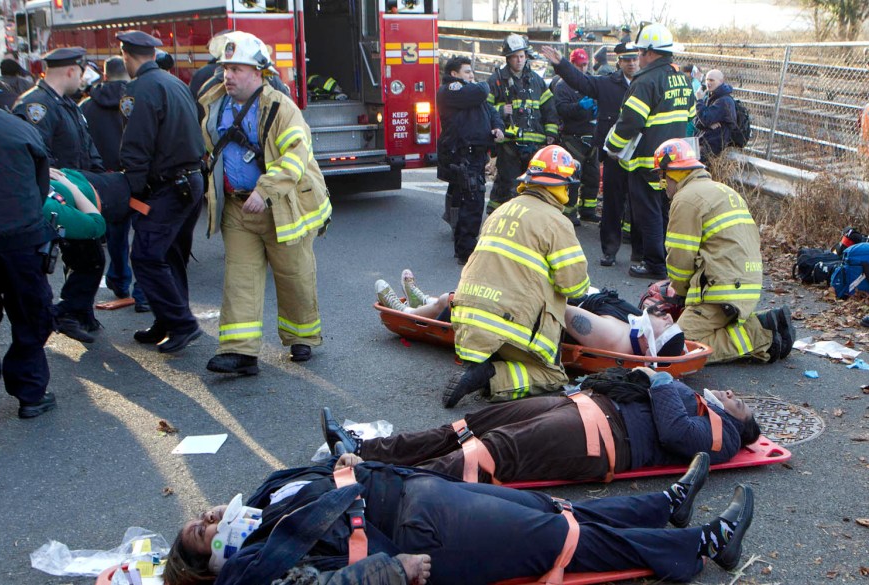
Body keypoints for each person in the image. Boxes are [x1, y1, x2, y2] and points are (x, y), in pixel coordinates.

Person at [163, 453, 755, 585]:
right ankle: (704, 544)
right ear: (208, 563)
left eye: (201, 516)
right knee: (559, 537)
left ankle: (665, 507)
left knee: (555, 510)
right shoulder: (252, 571)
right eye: (201, 531)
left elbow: (321, 487)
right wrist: (391, 571)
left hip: (414, 492)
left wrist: (341, 463)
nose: (208, 517)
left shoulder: (267, 507)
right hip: (427, 536)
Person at [322, 364, 761, 485]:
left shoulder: (722, 438)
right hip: (586, 407)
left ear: (739, 424)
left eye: (735, 402)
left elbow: (676, 434)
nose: (727, 395)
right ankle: (365, 450)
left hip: (600, 439)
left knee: (491, 450)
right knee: (470, 426)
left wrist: (661, 379)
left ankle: (371, 479)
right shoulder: (703, 407)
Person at [200, 31, 331, 373]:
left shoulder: (282, 108)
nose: (227, 75)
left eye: (237, 69)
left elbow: (295, 156)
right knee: (239, 278)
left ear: (258, 72)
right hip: (237, 208)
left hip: (282, 208)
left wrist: (265, 190)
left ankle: (302, 338)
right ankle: (240, 352)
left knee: (294, 276)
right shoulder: (214, 104)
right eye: (226, 68)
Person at [443, 145, 589, 407]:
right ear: (562, 185)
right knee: (552, 374)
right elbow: (575, 286)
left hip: (467, 322)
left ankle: (485, 359)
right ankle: (489, 378)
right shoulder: (557, 222)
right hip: (512, 330)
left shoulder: (502, 210)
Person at [655, 138, 795, 363]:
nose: (663, 187)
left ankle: (760, 333)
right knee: (691, 338)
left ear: (668, 174)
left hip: (721, 290)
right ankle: (765, 326)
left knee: (678, 348)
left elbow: (680, 258)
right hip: (744, 284)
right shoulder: (723, 190)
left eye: (661, 179)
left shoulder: (686, 199)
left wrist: (679, 294)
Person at [118, 30, 206, 354]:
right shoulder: (175, 83)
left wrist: (132, 191)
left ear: (127, 56)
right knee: (170, 256)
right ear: (153, 55)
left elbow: (136, 146)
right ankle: (167, 321)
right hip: (191, 180)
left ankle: (181, 324)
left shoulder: (138, 89)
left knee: (146, 256)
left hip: (168, 186)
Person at [375, 271, 684, 359]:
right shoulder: (633, 328)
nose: (668, 318)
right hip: (544, 307)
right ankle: (426, 300)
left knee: (459, 299)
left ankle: (409, 311)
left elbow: (558, 310)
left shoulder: (613, 337)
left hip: (530, 315)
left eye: (667, 325)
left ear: (651, 343)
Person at [603, 23, 695, 280]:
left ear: (652, 52)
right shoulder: (683, 79)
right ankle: (670, 260)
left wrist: (612, 147)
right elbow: (692, 116)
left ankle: (655, 264)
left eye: (642, 52)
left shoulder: (645, 82)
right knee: (667, 211)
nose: (639, 57)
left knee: (649, 213)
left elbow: (631, 121)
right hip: (675, 160)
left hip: (647, 161)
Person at [541, 42, 639, 268]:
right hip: (614, 152)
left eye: (635, 59)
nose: (631, 63)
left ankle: (640, 254)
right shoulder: (608, 84)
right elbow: (582, 82)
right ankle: (610, 252)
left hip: (641, 154)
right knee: (613, 205)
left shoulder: (647, 83)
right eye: (627, 59)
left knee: (639, 205)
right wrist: (561, 64)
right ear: (619, 62)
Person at [0, 103, 58, 419]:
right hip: (21, 241)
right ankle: (30, 393)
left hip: (17, 237)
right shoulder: (20, 129)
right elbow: (41, 186)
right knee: (31, 316)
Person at [79, 57, 148, 311]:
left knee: (116, 234)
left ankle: (119, 282)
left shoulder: (86, 106)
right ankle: (143, 294)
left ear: (105, 75)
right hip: (138, 180)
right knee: (144, 236)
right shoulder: (138, 99)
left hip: (107, 182)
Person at [437, 56, 504, 264]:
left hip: (476, 153)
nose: (472, 76)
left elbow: (491, 111)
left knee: (468, 200)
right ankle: (466, 251)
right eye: (467, 72)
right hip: (463, 154)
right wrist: (481, 84)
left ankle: (464, 246)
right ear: (454, 74)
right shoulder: (450, 90)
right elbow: (482, 91)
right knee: (472, 201)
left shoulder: (469, 93)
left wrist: (497, 127)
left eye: (472, 72)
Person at [485, 34, 559, 215]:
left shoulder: (536, 80)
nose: (519, 60)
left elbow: (549, 109)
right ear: (507, 58)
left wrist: (551, 133)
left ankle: (525, 217)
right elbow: (485, 109)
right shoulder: (496, 81)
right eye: (514, 56)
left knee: (532, 184)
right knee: (509, 182)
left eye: (521, 56)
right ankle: (504, 217)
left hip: (535, 144)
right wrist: (502, 110)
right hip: (509, 143)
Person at [13, 47, 105, 172]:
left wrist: (97, 178)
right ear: (71, 72)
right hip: (60, 187)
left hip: (78, 184)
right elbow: (39, 157)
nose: (81, 79)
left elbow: (88, 148)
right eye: (80, 74)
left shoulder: (69, 104)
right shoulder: (35, 105)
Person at [42, 168, 107, 343]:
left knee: (91, 261)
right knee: (92, 262)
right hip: (67, 194)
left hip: (73, 183)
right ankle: (62, 314)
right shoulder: (51, 206)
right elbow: (96, 225)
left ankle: (81, 315)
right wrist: (71, 187)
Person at [551, 48, 600, 225]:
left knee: (592, 177)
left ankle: (588, 210)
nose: (582, 69)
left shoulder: (590, 83)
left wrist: (598, 109)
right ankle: (569, 213)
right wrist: (579, 107)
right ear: (571, 65)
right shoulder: (563, 86)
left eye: (585, 65)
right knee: (572, 178)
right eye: (579, 66)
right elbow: (560, 109)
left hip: (591, 137)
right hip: (572, 138)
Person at [694, 69, 737, 157]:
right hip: (705, 144)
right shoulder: (710, 97)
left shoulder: (723, 101)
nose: (708, 83)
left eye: (712, 80)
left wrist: (699, 101)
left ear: (721, 81)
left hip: (713, 148)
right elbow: (697, 121)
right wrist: (708, 124)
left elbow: (705, 118)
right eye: (707, 80)